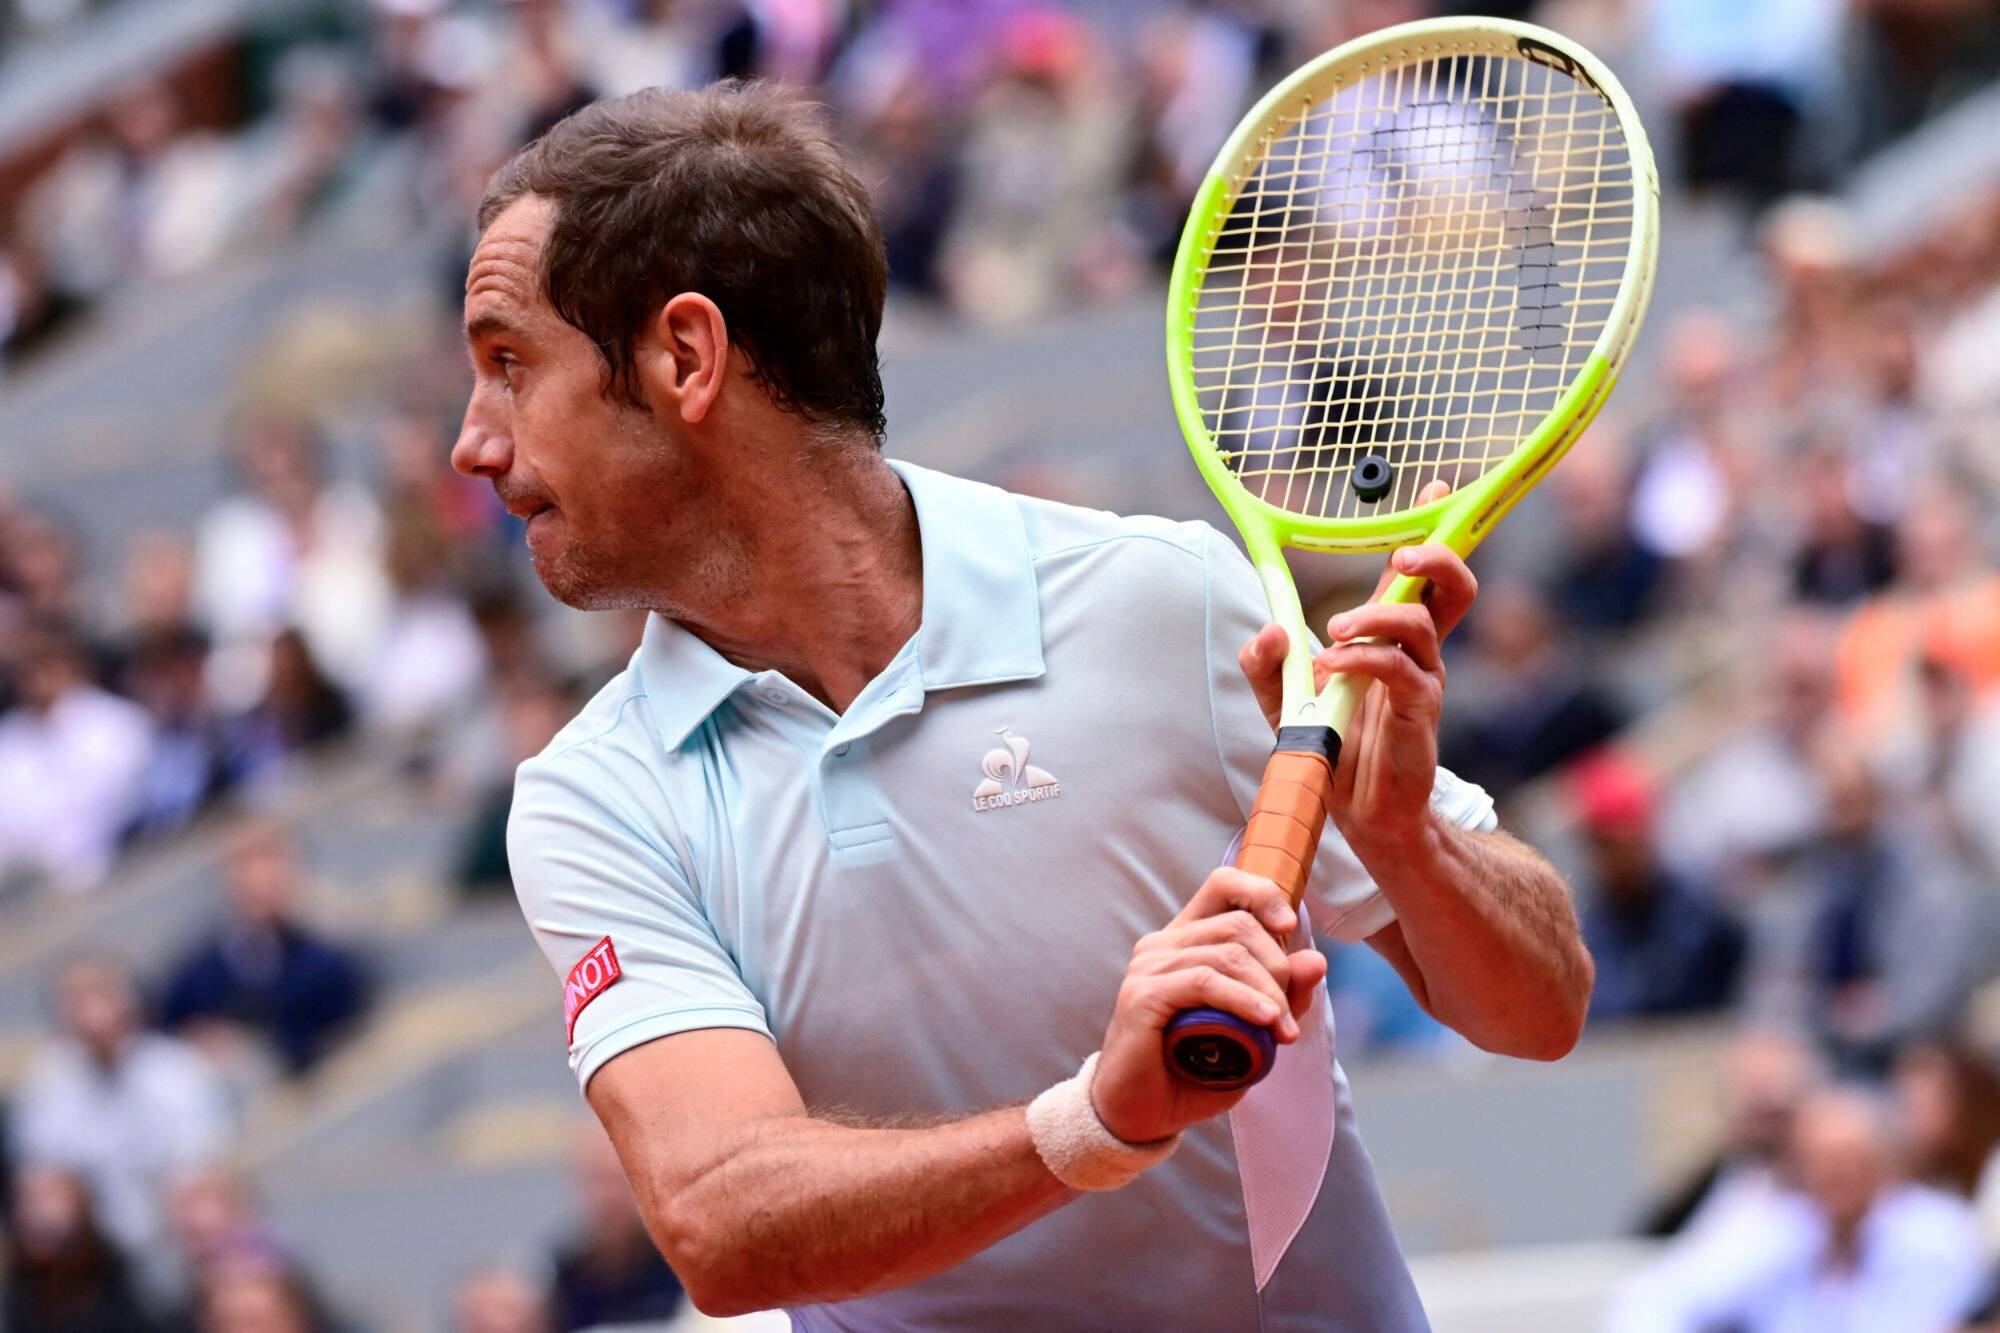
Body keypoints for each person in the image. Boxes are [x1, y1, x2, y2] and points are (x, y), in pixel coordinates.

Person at [459, 84, 1590, 1328]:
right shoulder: (592, 799)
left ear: (685, 356)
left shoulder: (1162, 599)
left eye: (510, 363)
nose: (473, 442)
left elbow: (1538, 1012)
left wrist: (1404, 839)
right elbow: (720, 1222)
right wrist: (1092, 1121)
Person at [1611, 1087, 1986, 1333]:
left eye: (1851, 1159)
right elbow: (1654, 1297)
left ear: (1886, 1164)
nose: (1837, 1175)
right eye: (1822, 1161)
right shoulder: (1781, 1229)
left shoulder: (1934, 1230)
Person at [8, 958, 234, 1278]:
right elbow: (43, 1179)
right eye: (76, 999)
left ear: (130, 1001)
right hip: (88, 1256)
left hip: (174, 1245)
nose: (92, 1013)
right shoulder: (45, 1084)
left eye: (100, 994)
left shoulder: (180, 1071)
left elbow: (202, 1171)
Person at [158, 818, 368, 1076]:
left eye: (270, 861)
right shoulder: (197, 976)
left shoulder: (328, 963)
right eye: (243, 865)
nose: (258, 879)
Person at [1573, 752, 1746, 1022]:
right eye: (1603, 843)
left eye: (1626, 839)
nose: (1618, 855)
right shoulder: (1581, 931)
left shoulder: (1706, 917)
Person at [548, 1125, 684, 1330]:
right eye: (595, 1180)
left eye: (617, 1180)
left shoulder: (682, 1266)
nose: (608, 1197)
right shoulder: (566, 1275)